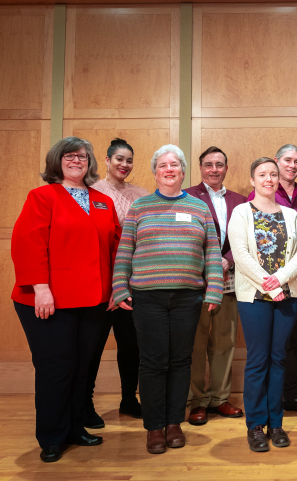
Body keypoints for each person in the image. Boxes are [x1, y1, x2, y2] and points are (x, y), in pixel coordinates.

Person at [11, 137, 121, 462]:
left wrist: (117, 285)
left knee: (82, 367)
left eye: (83, 156)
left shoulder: (103, 201)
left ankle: (76, 429)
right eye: (70, 156)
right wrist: (41, 287)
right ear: (57, 161)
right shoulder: (42, 196)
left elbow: (115, 247)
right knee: (55, 368)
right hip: (49, 300)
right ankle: (52, 437)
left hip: (94, 300)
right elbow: (28, 242)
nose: (77, 160)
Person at [111, 144, 224, 455]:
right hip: (148, 298)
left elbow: (212, 253)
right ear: (155, 172)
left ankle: (174, 423)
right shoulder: (141, 207)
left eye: (175, 164)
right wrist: (120, 288)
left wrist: (214, 289)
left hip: (188, 297)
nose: (169, 169)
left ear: (183, 171)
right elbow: (125, 251)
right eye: (163, 165)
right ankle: (154, 427)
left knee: (181, 360)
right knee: (152, 363)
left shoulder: (199, 208)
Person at [227, 157, 297, 452]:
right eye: (262, 174)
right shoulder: (240, 213)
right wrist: (268, 284)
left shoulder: (291, 214)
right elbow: (241, 255)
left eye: (273, 174)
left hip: (288, 295)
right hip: (255, 297)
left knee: (279, 359)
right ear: (252, 180)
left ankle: (276, 423)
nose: (269, 179)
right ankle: (256, 426)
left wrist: (282, 278)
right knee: (258, 361)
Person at [248, 145, 297, 416]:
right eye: (287, 160)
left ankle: (291, 395)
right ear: (276, 162)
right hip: (265, 282)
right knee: (269, 344)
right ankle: (269, 399)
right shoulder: (262, 192)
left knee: (295, 340)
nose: (292, 165)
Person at [85, 138, 148, 429]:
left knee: (131, 346)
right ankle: (85, 403)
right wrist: (112, 287)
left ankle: (128, 399)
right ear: (107, 160)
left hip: (133, 284)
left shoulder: (142, 195)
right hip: (99, 284)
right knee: (92, 347)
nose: (124, 165)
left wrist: (125, 286)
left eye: (129, 160)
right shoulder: (91, 192)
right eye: (119, 159)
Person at [186, 146, 247, 426]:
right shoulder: (187, 197)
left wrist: (228, 260)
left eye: (219, 164)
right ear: (200, 168)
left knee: (224, 341)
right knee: (196, 344)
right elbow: (183, 240)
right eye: (208, 164)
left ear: (226, 168)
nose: (214, 169)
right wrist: (210, 262)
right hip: (196, 280)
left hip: (230, 279)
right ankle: (196, 402)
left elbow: (248, 238)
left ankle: (219, 398)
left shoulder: (240, 200)